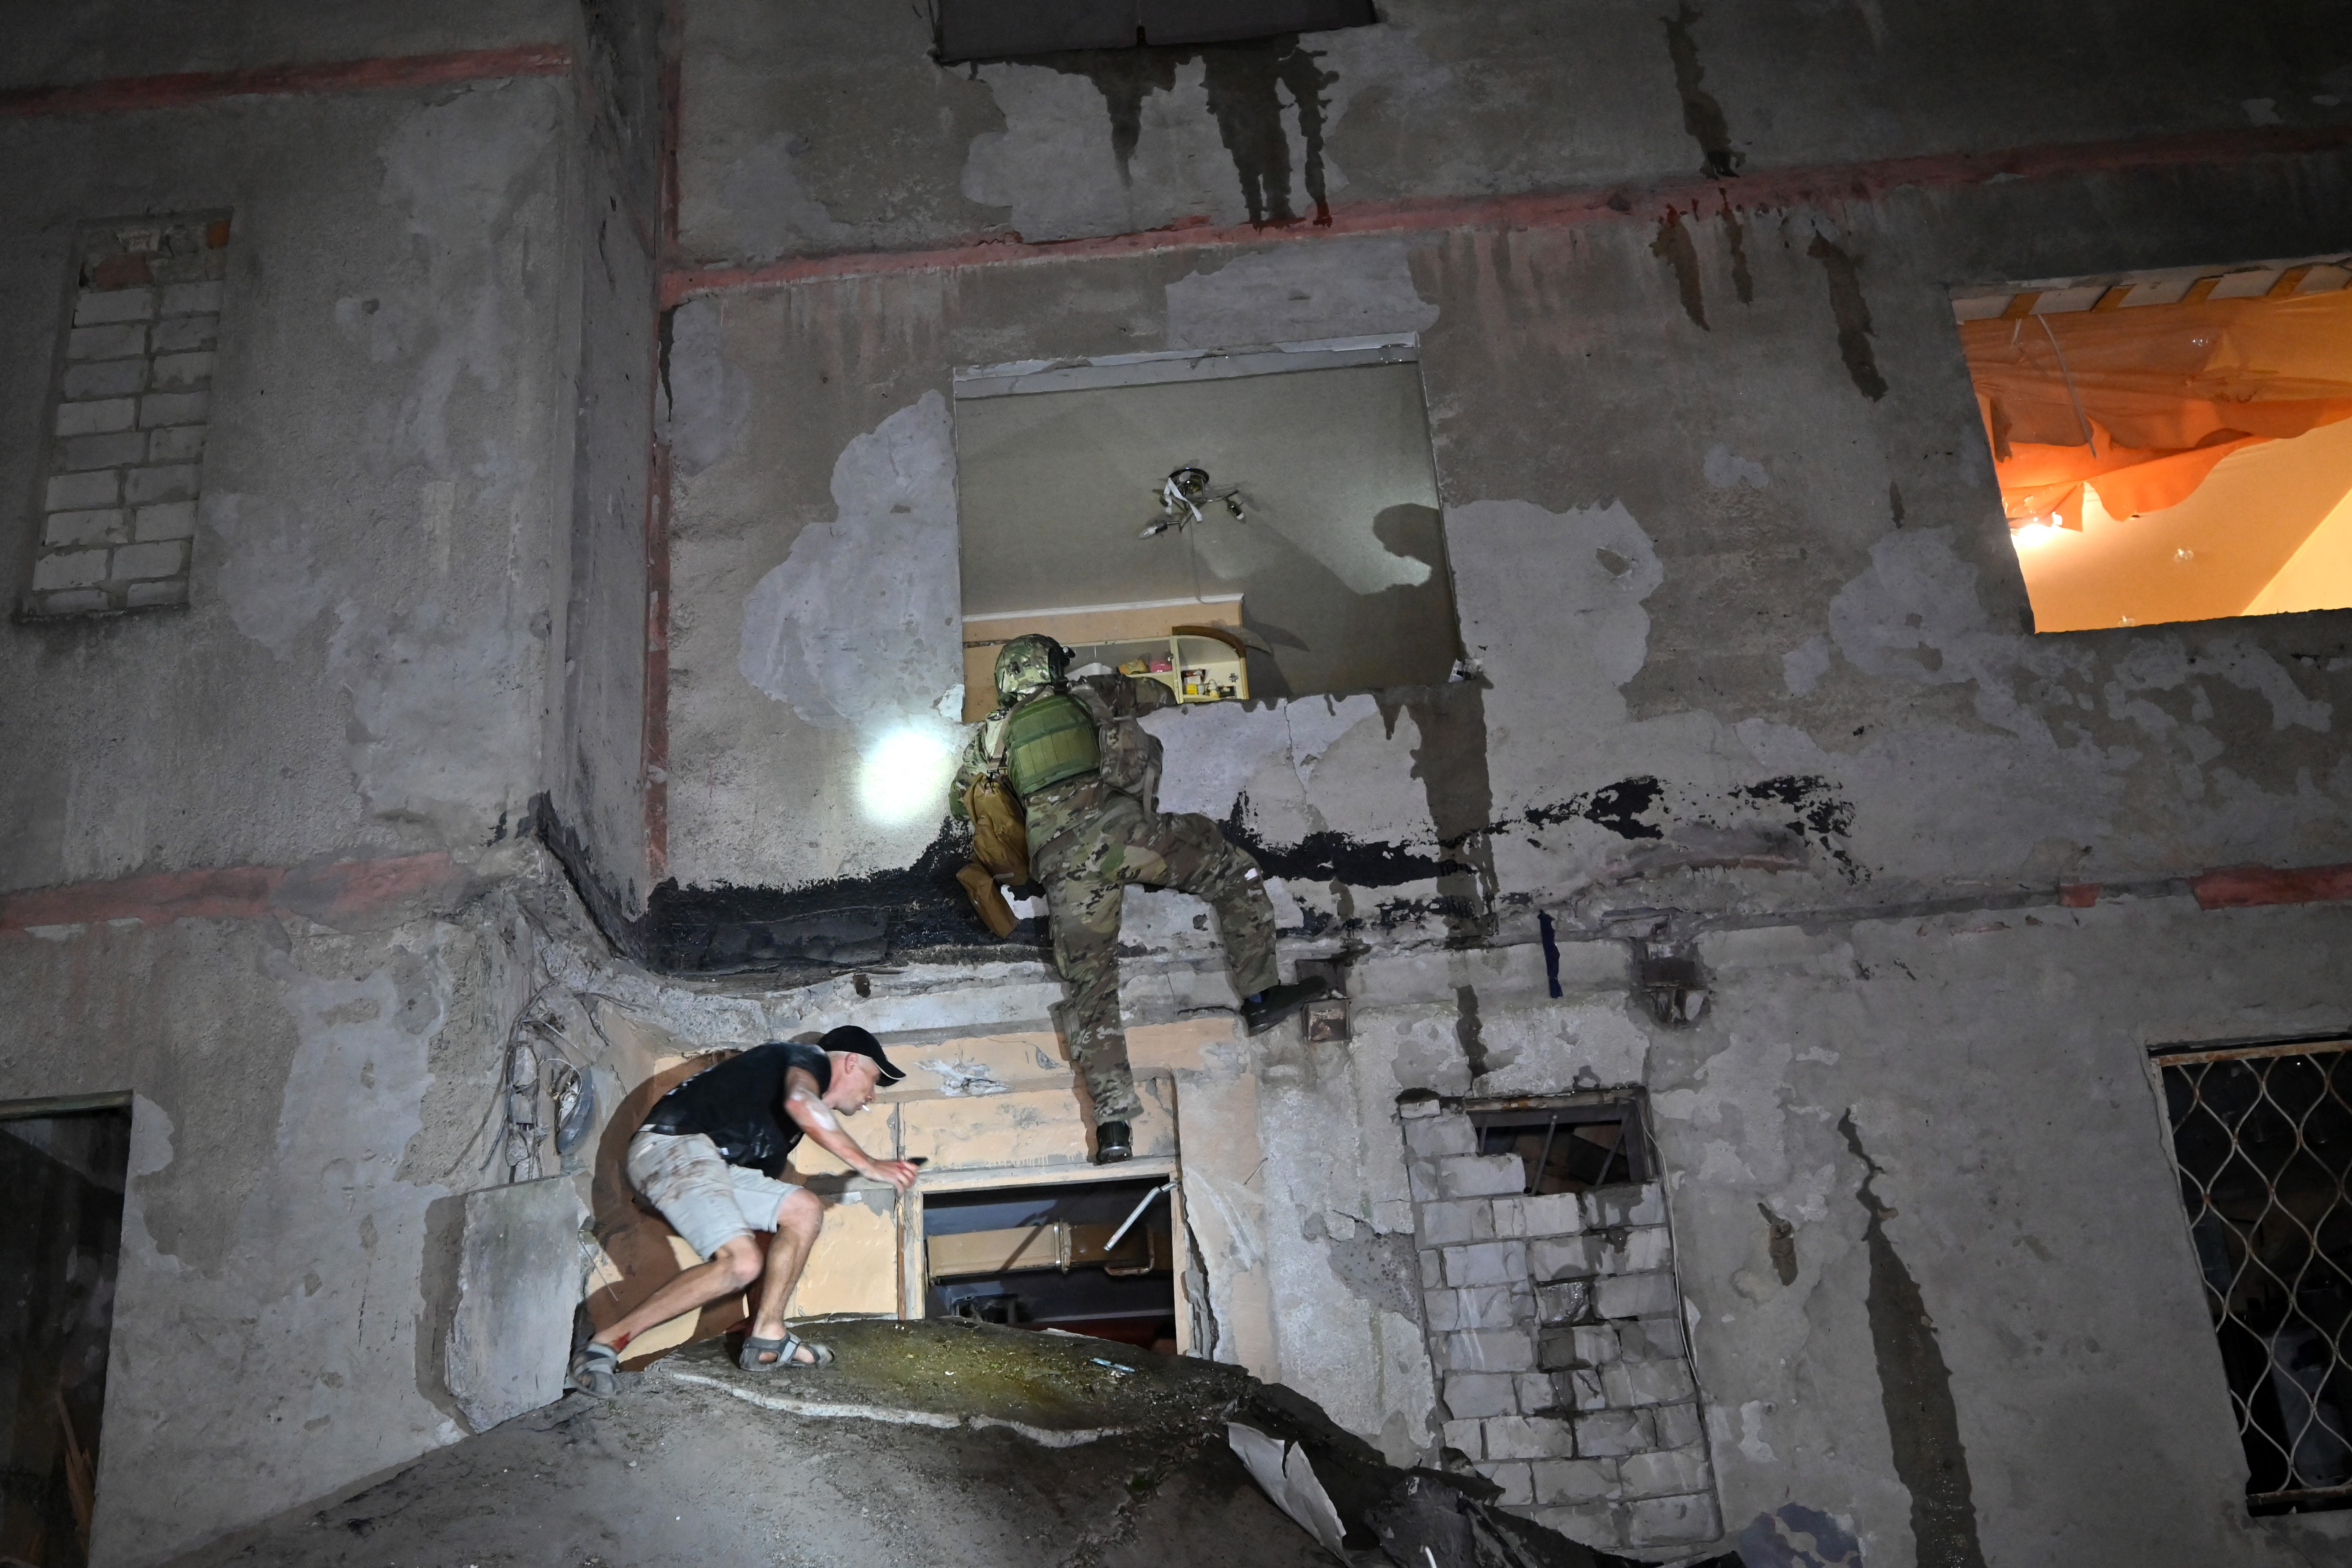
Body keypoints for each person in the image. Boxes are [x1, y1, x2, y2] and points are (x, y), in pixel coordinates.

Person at [950, 633, 1327, 1164]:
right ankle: (1261, 994)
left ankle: (1113, 1127)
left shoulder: (990, 737)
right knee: (1233, 872)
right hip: (1121, 838)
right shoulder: (1088, 694)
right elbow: (1154, 694)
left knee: (1092, 991)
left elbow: (960, 798)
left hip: (1060, 867)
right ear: (1048, 668)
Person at [567, 1025, 919, 1394]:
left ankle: (767, 1337)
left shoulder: (775, 1133)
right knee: (740, 1262)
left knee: (802, 1208)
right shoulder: (806, 1059)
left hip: (709, 1164)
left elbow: (767, 1236)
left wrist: (758, 1313)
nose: (873, 1096)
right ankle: (601, 1346)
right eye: (874, 1079)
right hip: (673, 1143)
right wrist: (869, 1164)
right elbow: (802, 1101)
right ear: (850, 1062)